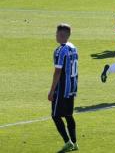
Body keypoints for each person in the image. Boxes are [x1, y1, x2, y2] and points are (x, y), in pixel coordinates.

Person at [48, 24, 79, 152]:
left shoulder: (60, 50)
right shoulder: (74, 48)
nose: (55, 35)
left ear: (62, 35)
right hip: (72, 87)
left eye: (57, 33)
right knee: (68, 115)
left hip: (62, 89)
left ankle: (68, 142)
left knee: (55, 116)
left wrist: (51, 91)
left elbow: (58, 72)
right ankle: (75, 143)